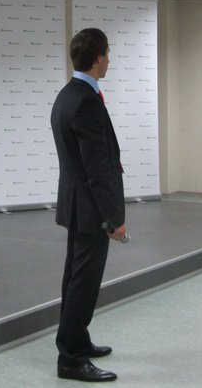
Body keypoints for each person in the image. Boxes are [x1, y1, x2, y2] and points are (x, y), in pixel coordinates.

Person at [50, 28, 127, 382]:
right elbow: (98, 168)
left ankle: (76, 340)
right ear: (97, 57)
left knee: (75, 278)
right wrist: (114, 218)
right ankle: (71, 359)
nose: (109, 59)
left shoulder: (67, 95)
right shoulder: (85, 102)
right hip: (91, 210)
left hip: (76, 205)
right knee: (84, 283)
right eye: (107, 53)